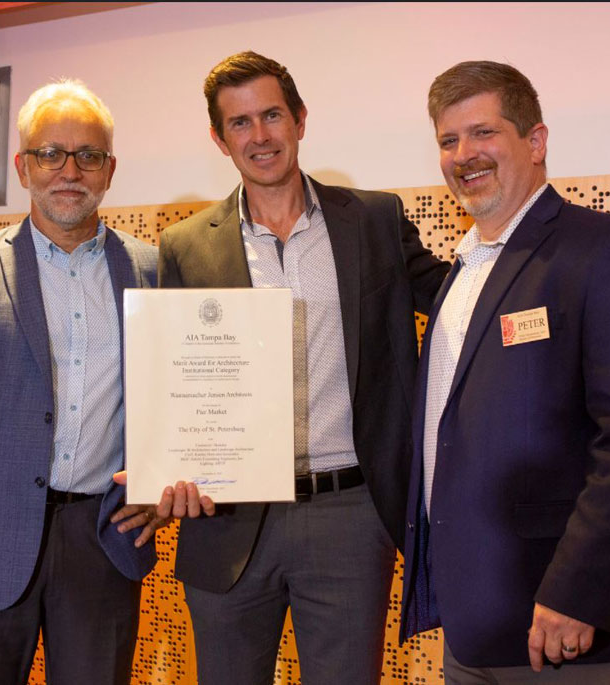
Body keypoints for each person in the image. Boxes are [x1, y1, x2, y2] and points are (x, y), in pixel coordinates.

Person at [154, 51, 449, 685]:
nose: (259, 136)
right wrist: (163, 463)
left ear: (300, 120)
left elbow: (454, 301)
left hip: (347, 514)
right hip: (226, 518)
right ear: (219, 137)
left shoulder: (373, 219)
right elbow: (171, 382)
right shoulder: (184, 245)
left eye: (271, 116)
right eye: (239, 123)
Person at [400, 61, 610, 683]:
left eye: (483, 133)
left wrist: (578, 593)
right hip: (474, 627)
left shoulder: (609, 248)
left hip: (566, 628)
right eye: (448, 141)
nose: (463, 154)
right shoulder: (461, 272)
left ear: (535, 141)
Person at [0, 79, 158, 685]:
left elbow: (169, 399)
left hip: (105, 539)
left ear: (110, 169)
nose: (69, 170)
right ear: (23, 165)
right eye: (50, 153)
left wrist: (165, 477)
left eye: (88, 155)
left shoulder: (151, 269)